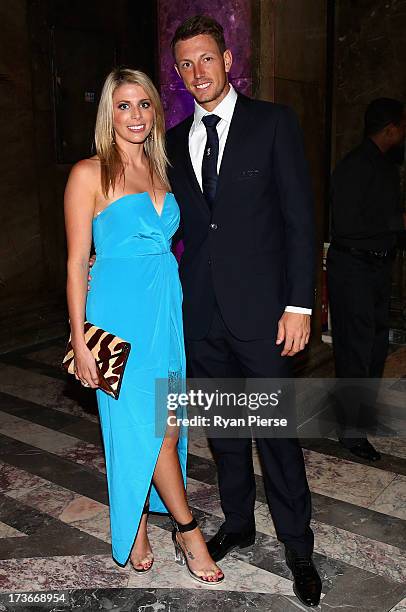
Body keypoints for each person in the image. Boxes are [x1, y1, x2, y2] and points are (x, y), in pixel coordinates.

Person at [166, 15, 321, 608]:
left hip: (264, 314)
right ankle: (238, 522)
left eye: (206, 59)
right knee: (227, 434)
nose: (197, 72)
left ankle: (299, 550)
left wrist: (299, 304)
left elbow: (299, 222)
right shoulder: (175, 140)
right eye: (185, 64)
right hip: (202, 317)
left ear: (227, 59)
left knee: (276, 437)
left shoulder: (273, 123)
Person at [64, 67, 224, 584]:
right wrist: (80, 339)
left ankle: (134, 524)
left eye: (145, 105)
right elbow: (75, 263)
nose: (136, 115)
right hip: (118, 316)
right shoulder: (88, 173)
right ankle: (189, 531)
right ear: (108, 113)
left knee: (169, 425)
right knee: (147, 429)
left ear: (156, 111)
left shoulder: (162, 171)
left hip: (165, 313)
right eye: (124, 105)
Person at [327, 98, 406, 462]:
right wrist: (396, 225)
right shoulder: (354, 167)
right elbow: (345, 225)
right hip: (353, 268)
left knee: (376, 348)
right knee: (355, 351)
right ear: (390, 128)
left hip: (377, 268)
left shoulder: (388, 167)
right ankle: (351, 432)